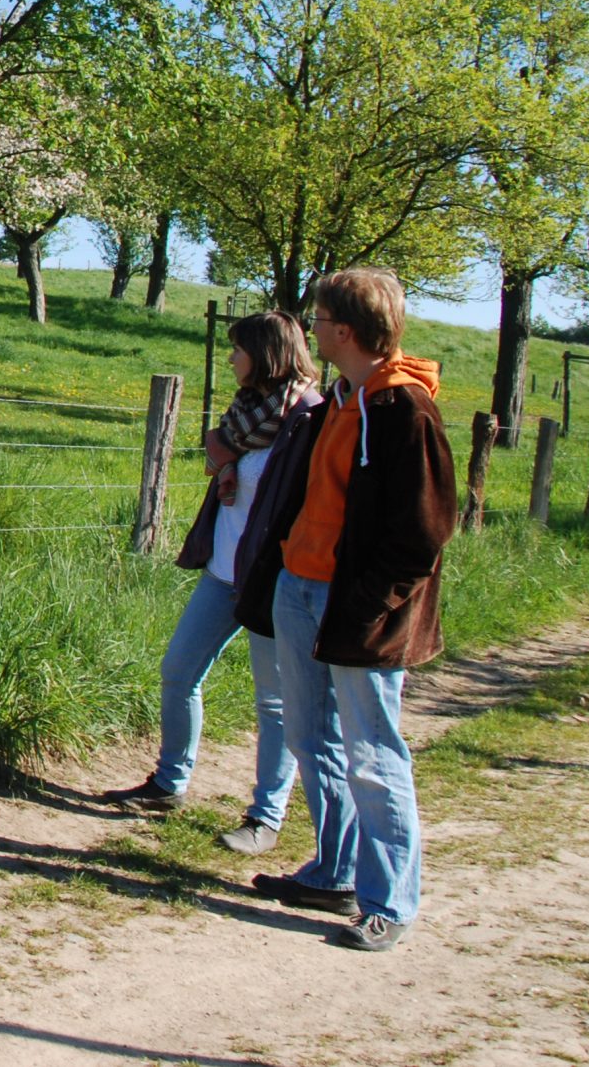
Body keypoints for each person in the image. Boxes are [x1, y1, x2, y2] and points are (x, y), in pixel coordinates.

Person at [236, 267, 457, 953]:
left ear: (348, 330)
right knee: (312, 740)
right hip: (301, 590)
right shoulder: (340, 398)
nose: (313, 327)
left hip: (356, 608)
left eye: (322, 317)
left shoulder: (403, 411)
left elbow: (422, 532)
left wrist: (366, 606)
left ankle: (389, 900)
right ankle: (333, 870)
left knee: (374, 753)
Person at [101, 311, 315, 855]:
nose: (230, 358)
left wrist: (224, 459)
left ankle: (265, 818)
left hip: (271, 581)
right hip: (223, 572)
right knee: (178, 671)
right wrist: (223, 465)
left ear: (266, 352)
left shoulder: (309, 417)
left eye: (238, 349)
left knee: (274, 703)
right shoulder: (248, 410)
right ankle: (168, 785)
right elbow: (217, 446)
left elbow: (291, 492)